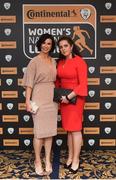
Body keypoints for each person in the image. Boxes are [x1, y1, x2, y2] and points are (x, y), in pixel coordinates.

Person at [22, 33, 58, 176]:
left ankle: (47, 160)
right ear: (39, 44)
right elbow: (29, 83)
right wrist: (27, 101)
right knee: (39, 133)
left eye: (49, 43)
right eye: (43, 43)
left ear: (51, 46)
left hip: (52, 99)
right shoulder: (34, 61)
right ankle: (37, 160)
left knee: (49, 133)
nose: (45, 45)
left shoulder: (53, 61)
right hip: (38, 97)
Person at [56, 36, 88, 173]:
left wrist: (69, 97)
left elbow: (83, 85)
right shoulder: (60, 62)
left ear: (71, 46)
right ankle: (70, 157)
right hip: (63, 99)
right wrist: (59, 97)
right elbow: (58, 81)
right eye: (61, 47)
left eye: (65, 46)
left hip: (75, 99)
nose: (63, 49)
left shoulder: (79, 62)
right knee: (69, 129)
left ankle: (76, 159)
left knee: (75, 130)